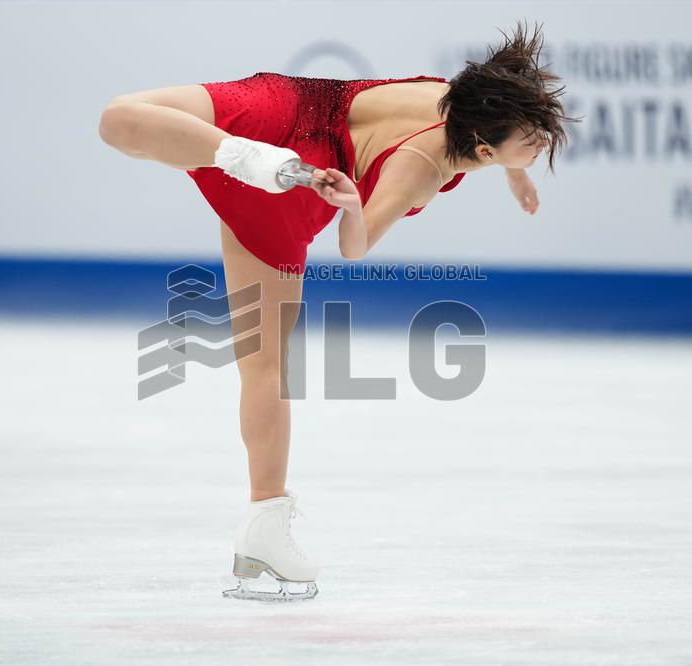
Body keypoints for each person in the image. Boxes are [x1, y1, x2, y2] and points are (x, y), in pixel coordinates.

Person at [98, 20, 573, 602]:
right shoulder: (422, 168)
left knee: (119, 118)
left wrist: (515, 169)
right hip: (301, 172)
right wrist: (350, 204)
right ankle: (265, 524)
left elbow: (502, 126)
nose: (541, 144)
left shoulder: (470, 97)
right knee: (265, 362)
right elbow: (354, 245)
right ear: (481, 148)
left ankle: (239, 156)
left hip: (286, 99)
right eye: (532, 140)